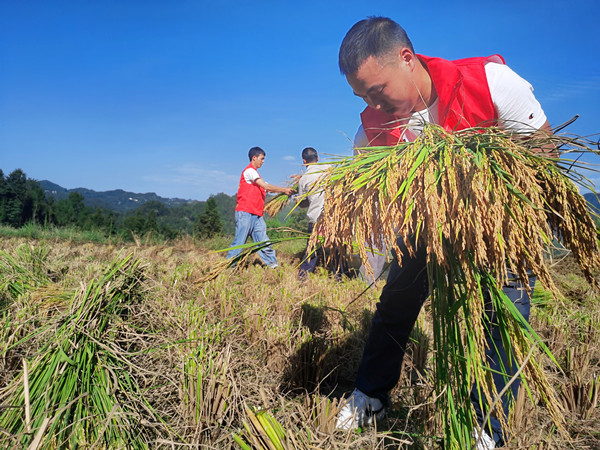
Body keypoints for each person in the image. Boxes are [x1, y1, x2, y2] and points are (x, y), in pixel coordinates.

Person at [334, 17, 555, 449]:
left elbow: (545, 154)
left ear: (406, 58)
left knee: (502, 315)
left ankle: (484, 429)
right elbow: (382, 199)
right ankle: (371, 395)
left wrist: (495, 203)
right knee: (396, 300)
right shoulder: (372, 131)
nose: (374, 106)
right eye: (363, 97)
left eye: (377, 91)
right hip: (427, 228)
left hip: (499, 225)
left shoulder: (489, 82)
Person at [228, 146, 293, 268]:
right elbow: (266, 186)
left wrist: (287, 191)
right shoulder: (249, 171)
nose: (263, 161)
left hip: (257, 215)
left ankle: (273, 266)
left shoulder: (256, 175)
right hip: (245, 213)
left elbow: (268, 187)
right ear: (254, 158)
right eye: (262, 159)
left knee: (264, 242)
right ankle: (229, 267)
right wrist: (284, 189)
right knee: (239, 243)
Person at [293, 147, 342, 280]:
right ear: (318, 158)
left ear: (304, 161)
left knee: (312, 250)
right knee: (337, 249)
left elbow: (304, 202)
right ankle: (340, 277)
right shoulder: (330, 169)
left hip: (317, 219)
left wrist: (298, 200)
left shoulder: (304, 179)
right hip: (333, 217)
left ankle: (303, 277)